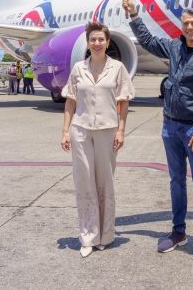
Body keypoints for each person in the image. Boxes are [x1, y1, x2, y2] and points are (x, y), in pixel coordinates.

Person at [122, 0, 193, 258]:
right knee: (176, 181)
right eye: (186, 23)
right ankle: (178, 231)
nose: (189, 27)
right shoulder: (174, 48)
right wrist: (134, 16)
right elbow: (147, 41)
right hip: (170, 126)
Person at [60, 21, 135, 258]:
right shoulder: (78, 69)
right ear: (88, 42)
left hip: (107, 129)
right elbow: (70, 101)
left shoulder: (118, 68)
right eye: (93, 39)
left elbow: (124, 102)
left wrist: (121, 130)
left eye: (101, 39)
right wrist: (65, 131)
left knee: (105, 183)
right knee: (84, 183)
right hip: (80, 130)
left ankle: (106, 235)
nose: (97, 43)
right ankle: (88, 236)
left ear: (108, 42)